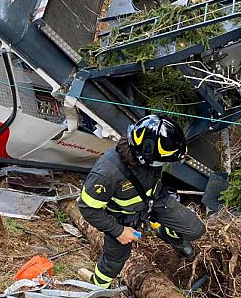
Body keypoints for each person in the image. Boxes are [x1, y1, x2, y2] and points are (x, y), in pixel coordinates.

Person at [77, 114, 205, 288]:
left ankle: (165, 232)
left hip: (154, 201)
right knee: (114, 262)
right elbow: (88, 208)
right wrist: (119, 231)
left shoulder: (148, 153)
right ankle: (97, 287)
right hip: (122, 217)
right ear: (145, 156)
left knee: (195, 229)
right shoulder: (106, 174)